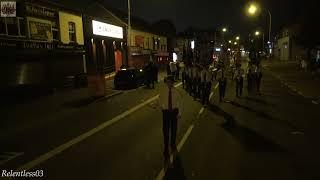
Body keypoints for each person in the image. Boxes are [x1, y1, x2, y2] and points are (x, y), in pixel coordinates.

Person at [158, 75, 182, 168]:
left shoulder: (176, 91)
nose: (168, 83)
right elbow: (159, 99)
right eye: (167, 82)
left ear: (172, 82)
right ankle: (166, 148)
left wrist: (179, 113)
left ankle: (172, 143)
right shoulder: (163, 91)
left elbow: (180, 102)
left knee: (174, 129)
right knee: (165, 130)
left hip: (174, 112)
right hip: (166, 113)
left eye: (170, 82)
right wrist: (161, 106)